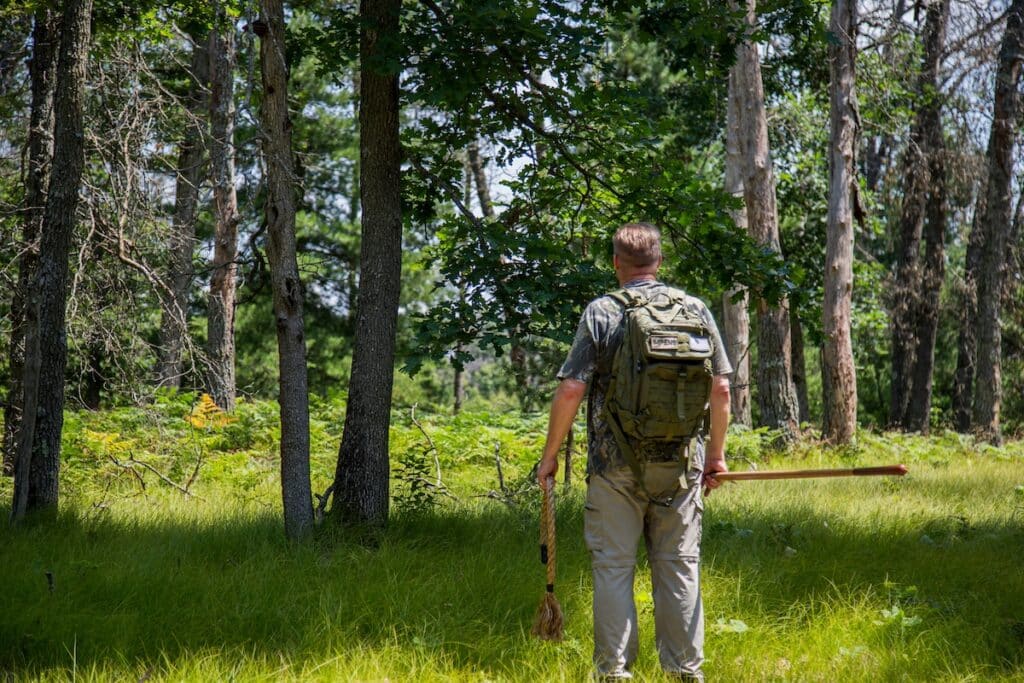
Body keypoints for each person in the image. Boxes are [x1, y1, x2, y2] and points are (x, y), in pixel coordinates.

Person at [537, 222, 732, 681]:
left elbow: (571, 390)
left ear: (616, 263)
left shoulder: (603, 311)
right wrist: (716, 457)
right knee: (679, 569)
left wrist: (550, 456)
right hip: (681, 466)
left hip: (614, 467)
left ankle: (615, 673)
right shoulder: (696, 309)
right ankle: (685, 672)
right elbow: (721, 388)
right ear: (659, 262)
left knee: (613, 569)